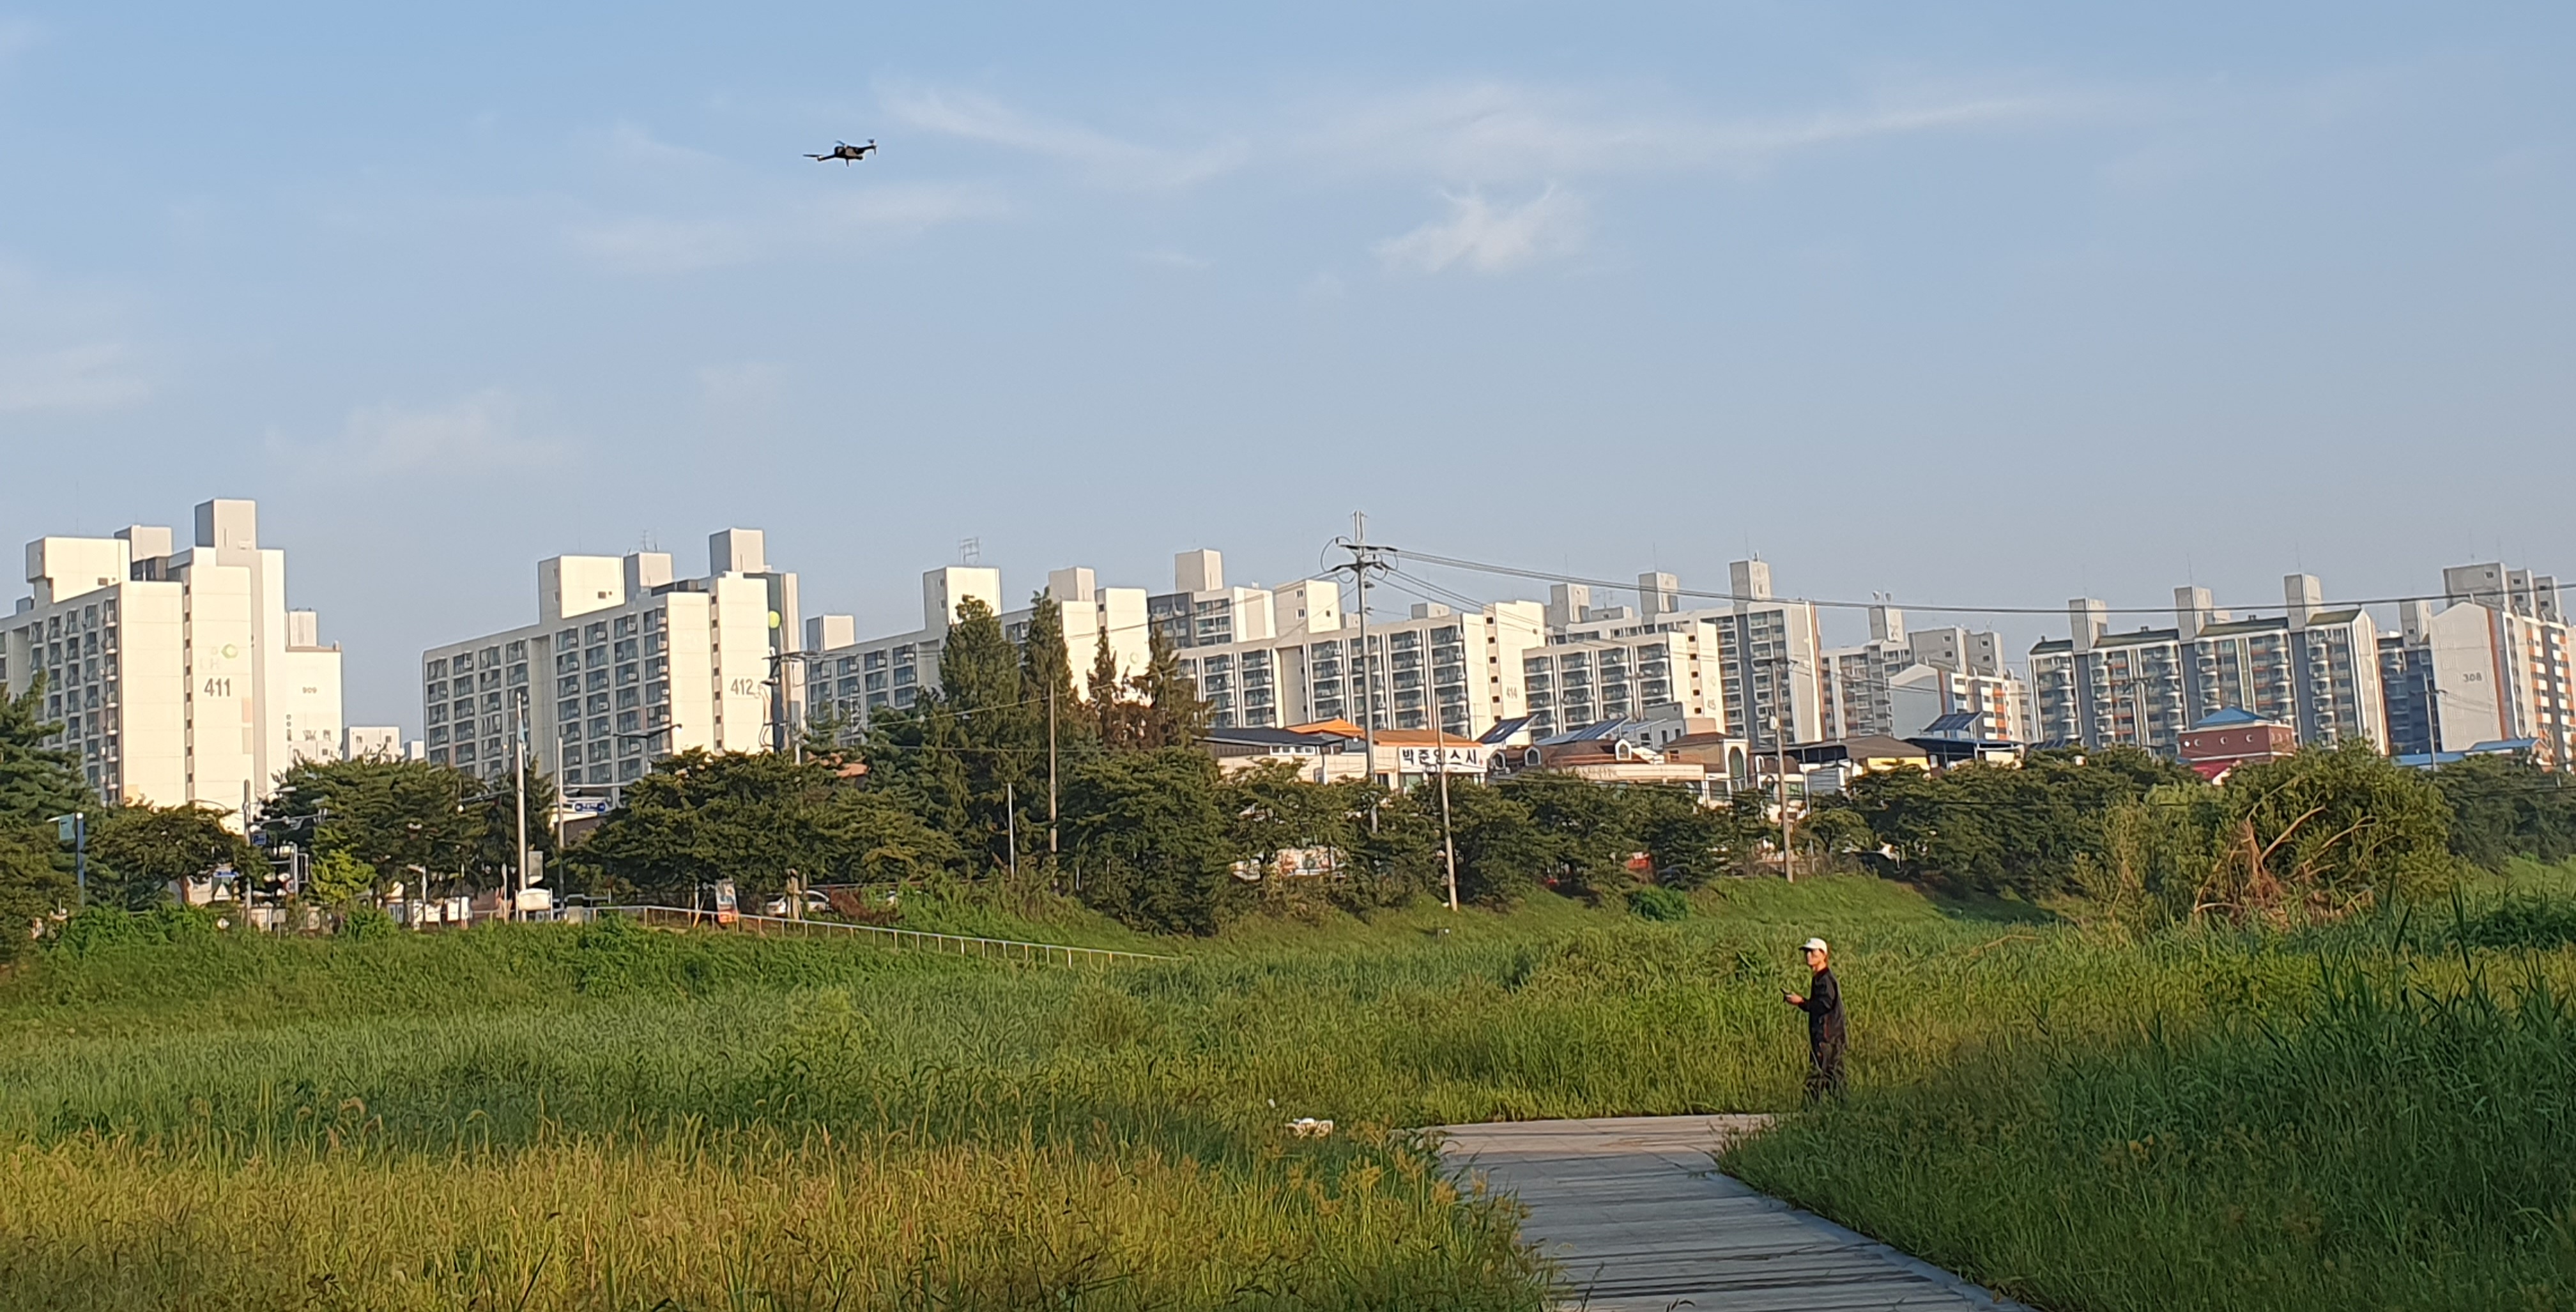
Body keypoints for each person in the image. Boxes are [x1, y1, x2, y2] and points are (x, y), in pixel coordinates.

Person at [1781, 936, 1845, 1101]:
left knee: (1819, 1075)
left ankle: (1810, 1109)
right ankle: (1841, 1107)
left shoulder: (1825, 980)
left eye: (1812, 952)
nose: (1808, 955)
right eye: (1807, 952)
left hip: (1827, 1036)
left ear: (1823, 955)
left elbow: (1825, 1005)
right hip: (1827, 1036)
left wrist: (1802, 1002)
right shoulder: (1820, 978)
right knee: (1832, 1077)